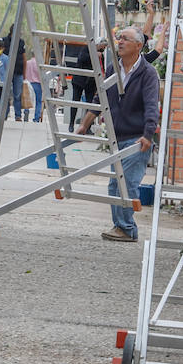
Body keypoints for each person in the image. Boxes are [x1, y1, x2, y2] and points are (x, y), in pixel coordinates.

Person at [74, 26, 160, 242]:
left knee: (127, 184)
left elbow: (152, 106)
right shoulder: (113, 69)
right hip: (117, 138)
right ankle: (122, 227)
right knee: (115, 184)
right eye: (119, 38)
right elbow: (99, 99)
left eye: (125, 39)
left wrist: (148, 135)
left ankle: (127, 229)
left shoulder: (148, 73)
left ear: (139, 46)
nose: (119, 42)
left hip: (136, 138)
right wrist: (85, 124)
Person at [10, 37, 27, 122]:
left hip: (18, 72)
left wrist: (24, 74)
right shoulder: (5, 40)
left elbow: (24, 58)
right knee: (13, 95)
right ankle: (6, 114)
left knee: (17, 95)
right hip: (9, 72)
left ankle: (18, 115)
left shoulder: (21, 42)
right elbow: (24, 59)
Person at [25, 54, 43, 122]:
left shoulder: (27, 62)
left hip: (28, 83)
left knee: (27, 101)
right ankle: (36, 118)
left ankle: (26, 113)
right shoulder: (39, 64)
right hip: (37, 84)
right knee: (38, 102)